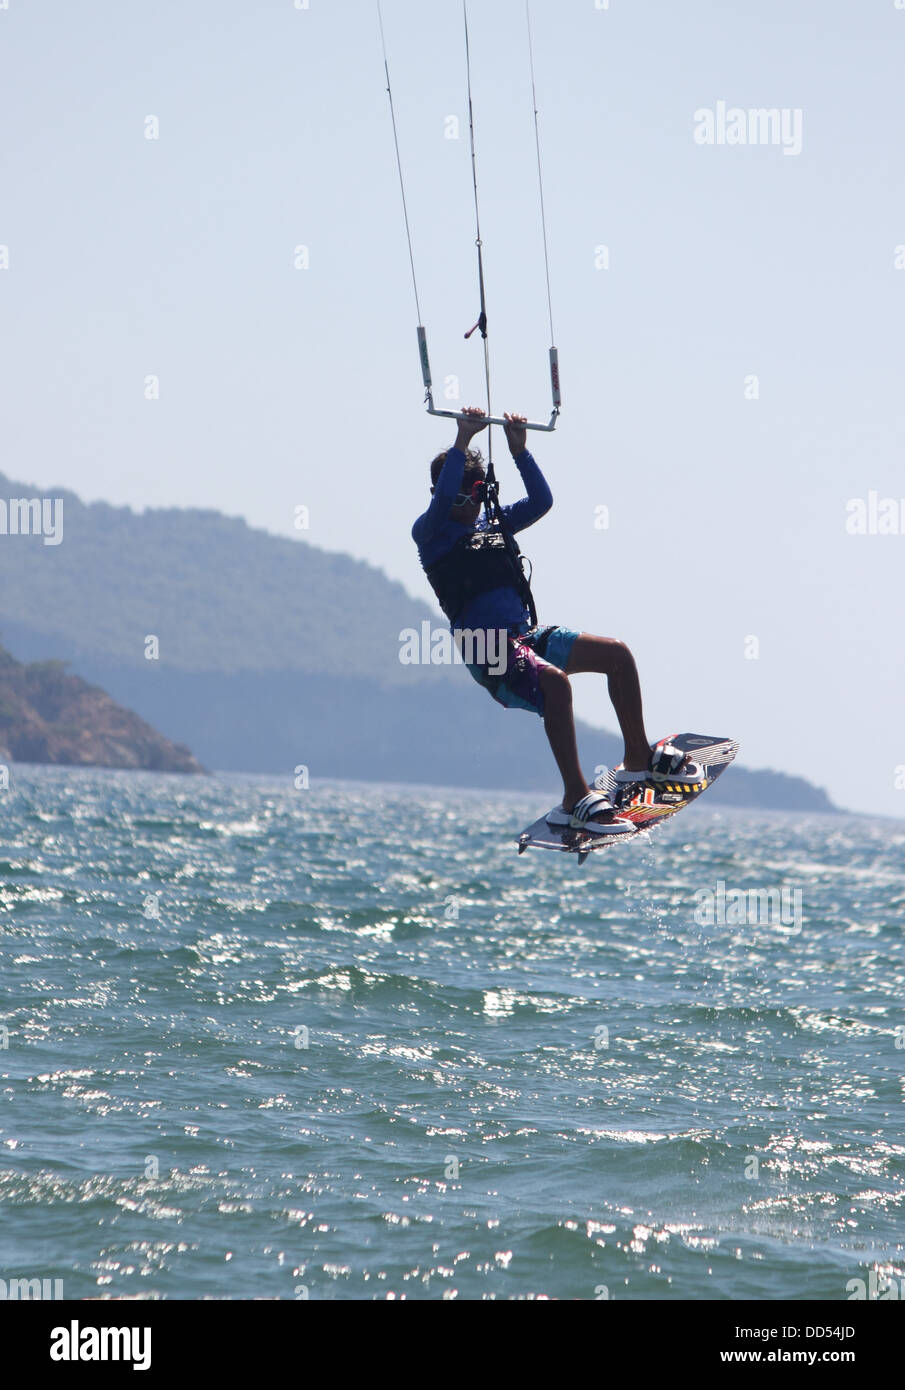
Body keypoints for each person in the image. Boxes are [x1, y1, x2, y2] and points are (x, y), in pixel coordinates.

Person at [412, 407, 701, 835]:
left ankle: (638, 758)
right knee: (556, 685)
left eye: (469, 497)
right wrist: (462, 441)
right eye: (451, 498)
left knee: (617, 655)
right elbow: (439, 508)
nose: (461, 508)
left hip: (523, 637)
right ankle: (575, 797)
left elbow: (542, 502)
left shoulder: (496, 522)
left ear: (480, 492)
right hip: (486, 649)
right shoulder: (430, 534)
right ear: (439, 494)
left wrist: (519, 451)